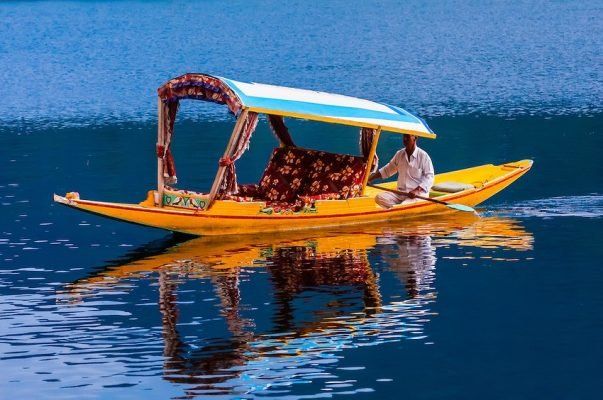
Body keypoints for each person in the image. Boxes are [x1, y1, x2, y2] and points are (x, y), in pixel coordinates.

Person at [367, 134, 434, 209]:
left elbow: (429, 178)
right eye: (404, 136)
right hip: (401, 193)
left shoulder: (423, 156)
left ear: (415, 137)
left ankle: (399, 209)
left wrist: (416, 191)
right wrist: (369, 178)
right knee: (379, 198)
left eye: (408, 137)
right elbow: (387, 170)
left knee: (404, 205)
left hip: (417, 195)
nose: (405, 139)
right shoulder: (399, 154)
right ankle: (398, 209)